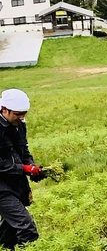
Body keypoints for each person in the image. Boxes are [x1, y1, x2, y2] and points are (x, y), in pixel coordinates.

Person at [0, 89, 46, 249]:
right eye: (18, 114)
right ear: (4, 109)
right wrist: (23, 168)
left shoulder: (19, 125)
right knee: (26, 227)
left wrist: (31, 166)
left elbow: (23, 150)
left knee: (11, 229)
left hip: (15, 183)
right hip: (1, 188)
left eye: (24, 113)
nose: (22, 117)